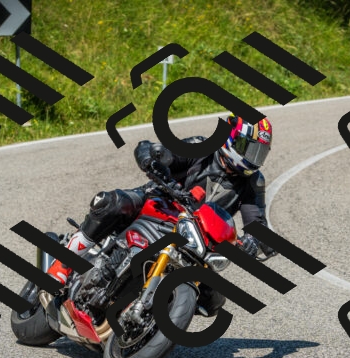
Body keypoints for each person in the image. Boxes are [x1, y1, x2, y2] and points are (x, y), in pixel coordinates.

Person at [46, 114, 276, 315]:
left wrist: (253, 242)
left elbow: (257, 223)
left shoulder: (253, 182)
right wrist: (152, 159)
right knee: (112, 203)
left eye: (260, 153)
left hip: (196, 241)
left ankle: (150, 317)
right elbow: (157, 151)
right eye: (251, 149)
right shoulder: (201, 148)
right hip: (160, 204)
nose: (254, 158)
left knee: (213, 300)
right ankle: (63, 265)